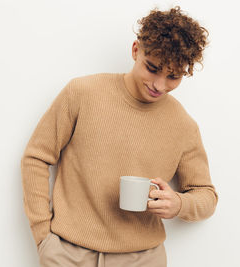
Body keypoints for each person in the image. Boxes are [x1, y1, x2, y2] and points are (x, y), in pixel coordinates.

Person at [21, 5, 218, 267]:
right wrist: (43, 237)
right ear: (136, 50)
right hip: (67, 255)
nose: (159, 84)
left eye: (173, 76)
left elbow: (206, 195)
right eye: (152, 67)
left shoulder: (184, 125)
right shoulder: (82, 93)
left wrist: (179, 204)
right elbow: (36, 157)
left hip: (143, 259)